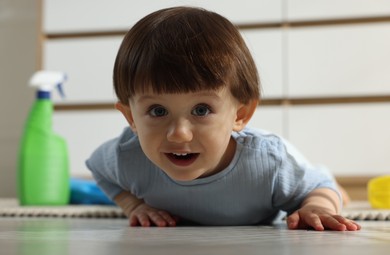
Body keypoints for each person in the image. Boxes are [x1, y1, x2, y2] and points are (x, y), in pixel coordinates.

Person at [86, 6, 360, 231]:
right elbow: (99, 168)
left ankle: (338, 185)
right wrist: (134, 206)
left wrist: (319, 206)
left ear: (240, 115)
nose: (179, 134)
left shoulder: (269, 165)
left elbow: (317, 189)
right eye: (158, 111)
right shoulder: (127, 156)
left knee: (319, 187)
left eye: (201, 110)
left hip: (288, 170)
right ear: (130, 117)